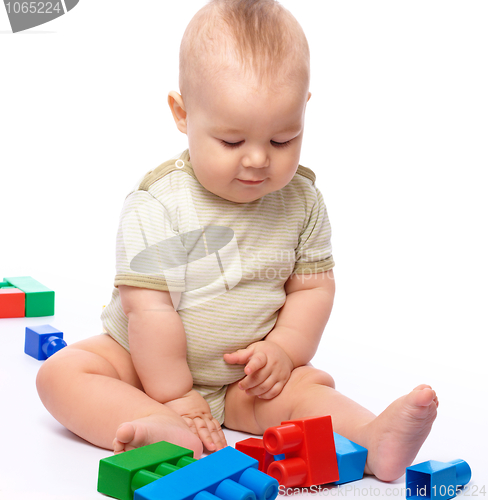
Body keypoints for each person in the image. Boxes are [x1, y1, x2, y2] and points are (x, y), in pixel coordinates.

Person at [36, 0, 438, 482]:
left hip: (243, 380)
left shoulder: (302, 201)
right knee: (63, 374)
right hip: (142, 367)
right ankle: (163, 426)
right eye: (231, 142)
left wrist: (285, 352)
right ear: (183, 114)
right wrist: (174, 394)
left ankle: (373, 439)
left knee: (305, 387)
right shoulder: (160, 203)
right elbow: (149, 310)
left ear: (303, 111)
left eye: (282, 139)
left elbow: (312, 289)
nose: (257, 160)